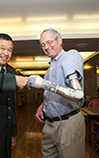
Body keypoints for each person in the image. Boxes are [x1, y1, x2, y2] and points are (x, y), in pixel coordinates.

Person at [28, 28, 85, 158]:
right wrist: (41, 106)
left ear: (59, 40)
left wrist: (44, 84)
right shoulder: (49, 70)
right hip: (49, 124)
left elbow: (77, 95)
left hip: (68, 122)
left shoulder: (70, 56)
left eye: (49, 42)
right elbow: (52, 93)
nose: (46, 47)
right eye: (43, 45)